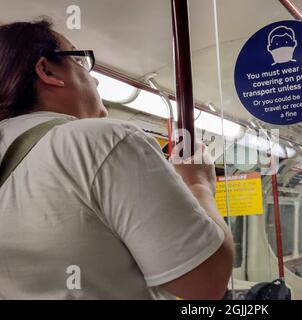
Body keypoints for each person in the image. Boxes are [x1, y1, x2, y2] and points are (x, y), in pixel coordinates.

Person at [0, 20, 234, 299]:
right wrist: (199, 185)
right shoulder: (105, 140)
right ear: (47, 71)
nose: (95, 79)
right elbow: (205, 283)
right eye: (80, 60)